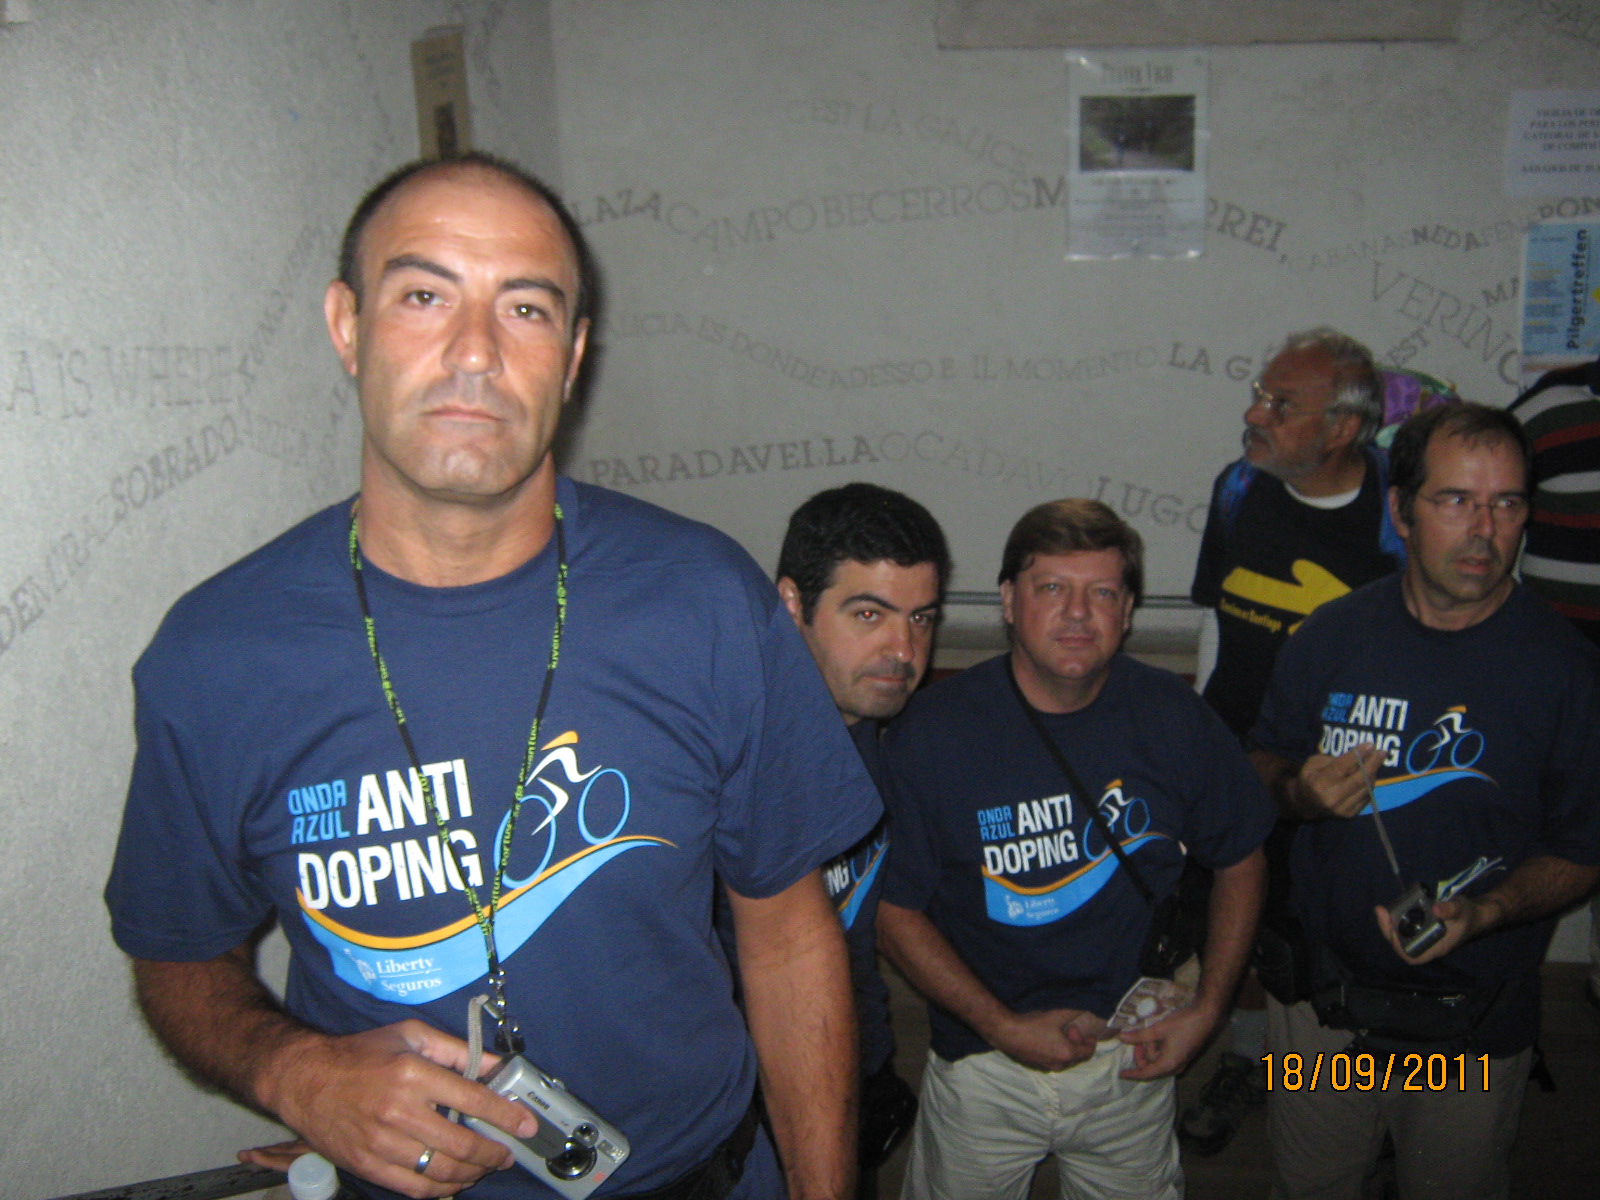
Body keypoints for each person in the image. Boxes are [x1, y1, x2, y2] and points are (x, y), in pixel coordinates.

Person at [104, 153, 880, 1200]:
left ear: (572, 355)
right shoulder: (218, 656)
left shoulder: (702, 600)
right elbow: (177, 954)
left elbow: (786, 937)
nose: (475, 352)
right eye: (423, 296)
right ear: (347, 326)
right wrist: (295, 1072)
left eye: (525, 308)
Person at [1251, 403, 1600, 1200]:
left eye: (1506, 503)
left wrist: (1489, 911)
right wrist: (1298, 791)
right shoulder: (1331, 637)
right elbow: (1260, 760)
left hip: (1472, 1023)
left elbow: (1584, 851)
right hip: (1321, 1015)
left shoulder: (1568, 672)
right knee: (1311, 1183)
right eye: (1455, 500)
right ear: (1400, 511)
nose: (1484, 530)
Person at [877, 499, 1273, 1200]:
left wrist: (1210, 1009)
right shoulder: (932, 733)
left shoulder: (1172, 716)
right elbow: (893, 909)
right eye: (1052, 588)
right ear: (1008, 601)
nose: (1078, 614)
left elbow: (1242, 856)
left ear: (1129, 611)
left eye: (1103, 593)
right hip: (983, 1068)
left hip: (1132, 1057)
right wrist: (1001, 1025)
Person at [1182, 328, 1404, 1154]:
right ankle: (1249, 1062)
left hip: (1347, 777)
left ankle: (1380, 1105)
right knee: (1239, 926)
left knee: (1343, 939)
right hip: (1242, 760)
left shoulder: (1400, 511)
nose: (1255, 415)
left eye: (1282, 405)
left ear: (1343, 429)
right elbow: (1219, 619)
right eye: (1259, 395)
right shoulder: (1239, 487)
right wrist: (1203, 735)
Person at [774, 482, 950, 1199]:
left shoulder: (881, 735)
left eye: (921, 618)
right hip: (752, 1104)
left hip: (853, 1068)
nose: (903, 650)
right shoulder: (732, 760)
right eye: (868, 614)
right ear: (792, 605)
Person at [1510, 354, 1600, 1014]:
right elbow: (1479, 508)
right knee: (1537, 844)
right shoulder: (1550, 409)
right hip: (1561, 689)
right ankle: (1500, 1010)